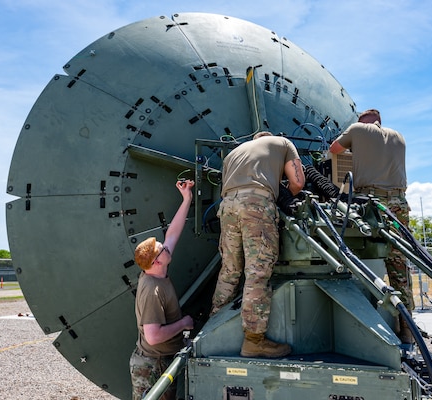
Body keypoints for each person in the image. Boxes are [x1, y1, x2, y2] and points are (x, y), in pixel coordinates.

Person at [210, 131, 305, 358]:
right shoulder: (283, 142)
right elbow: (298, 181)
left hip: (227, 206)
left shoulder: (233, 154)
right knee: (258, 273)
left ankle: (213, 327)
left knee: (230, 270)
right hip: (256, 204)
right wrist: (285, 198)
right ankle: (254, 341)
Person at [329, 109, 414, 344]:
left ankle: (363, 321)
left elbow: (334, 150)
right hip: (399, 203)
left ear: (361, 122)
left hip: (371, 203)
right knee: (399, 262)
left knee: (354, 253)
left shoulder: (357, 130)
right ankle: (407, 329)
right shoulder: (398, 135)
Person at [129, 179, 196, 400]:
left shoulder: (155, 269)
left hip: (160, 361)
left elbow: (172, 235)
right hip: (151, 367)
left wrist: (186, 198)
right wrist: (184, 323)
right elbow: (153, 336)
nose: (165, 246)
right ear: (157, 262)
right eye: (161, 249)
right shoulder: (152, 290)